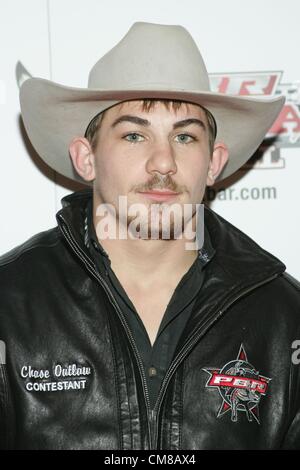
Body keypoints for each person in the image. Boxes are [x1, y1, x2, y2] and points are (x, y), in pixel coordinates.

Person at [0, 21, 299, 450]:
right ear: (86, 158)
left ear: (213, 163)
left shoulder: (284, 317)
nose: (163, 162)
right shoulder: (9, 304)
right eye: (134, 135)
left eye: (184, 136)